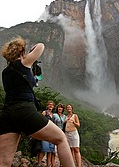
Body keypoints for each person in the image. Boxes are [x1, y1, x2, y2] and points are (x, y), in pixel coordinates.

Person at [0, 36, 75, 167]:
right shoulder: (24, 63)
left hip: (7, 114)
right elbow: (41, 46)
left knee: (4, 161)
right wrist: (30, 50)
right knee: (61, 139)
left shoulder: (5, 72)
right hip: (25, 111)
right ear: (22, 52)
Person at [38, 100, 55, 167]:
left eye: (52, 105)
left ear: (53, 107)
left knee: (50, 150)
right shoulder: (45, 112)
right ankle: (39, 163)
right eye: (49, 104)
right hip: (44, 132)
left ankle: (48, 164)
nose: (51, 106)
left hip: (51, 134)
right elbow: (40, 120)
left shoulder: (53, 115)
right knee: (43, 149)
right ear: (47, 106)